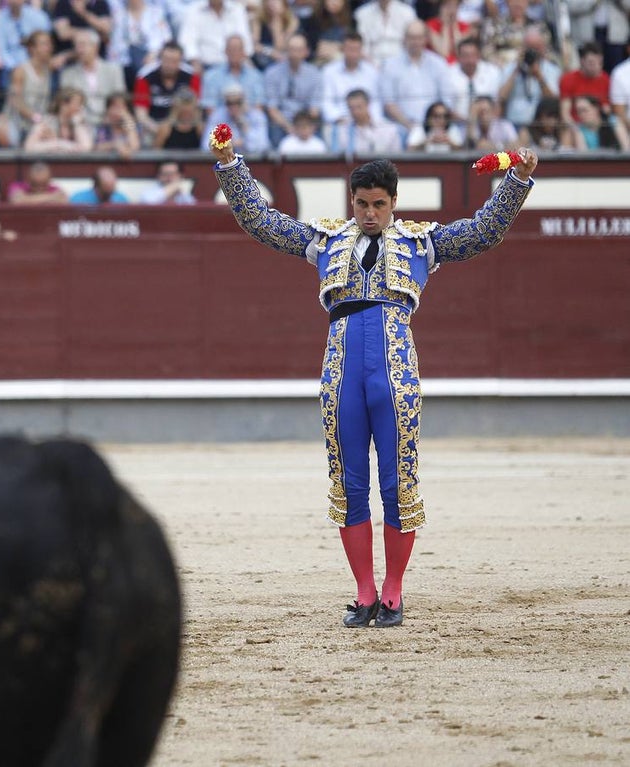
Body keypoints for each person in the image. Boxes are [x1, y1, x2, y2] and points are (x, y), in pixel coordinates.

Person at [209, 127, 539, 629]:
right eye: (361, 203)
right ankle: (363, 592)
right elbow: (262, 220)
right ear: (352, 201)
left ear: (393, 203)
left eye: (378, 204)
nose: (368, 213)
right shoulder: (325, 240)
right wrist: (231, 164)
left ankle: (393, 592)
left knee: (397, 482)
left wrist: (517, 180)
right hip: (341, 375)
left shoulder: (419, 242)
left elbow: (482, 231)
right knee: (349, 482)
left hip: (396, 374)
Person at [133, 41, 204, 143]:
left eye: (174, 61)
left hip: (184, 125)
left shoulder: (191, 76)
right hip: (153, 126)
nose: (169, 65)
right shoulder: (145, 77)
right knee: (145, 139)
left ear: (181, 60)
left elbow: (196, 109)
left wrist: (180, 130)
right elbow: (141, 114)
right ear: (160, 58)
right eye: (166, 60)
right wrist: (160, 130)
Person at [58, 29, 127, 128]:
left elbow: (120, 98)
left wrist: (109, 117)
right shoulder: (68, 74)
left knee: (128, 122)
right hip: (80, 122)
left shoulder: (113, 70)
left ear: (95, 47)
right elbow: (66, 104)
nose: (79, 50)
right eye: (76, 46)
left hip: (110, 120)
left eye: (82, 45)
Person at [262, 33, 322, 147]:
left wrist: (303, 127)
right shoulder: (272, 73)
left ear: (306, 52)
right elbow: (272, 109)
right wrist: (289, 128)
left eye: (299, 50)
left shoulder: (314, 74)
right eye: (292, 50)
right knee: (273, 130)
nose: (294, 54)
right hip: (281, 122)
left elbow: (314, 109)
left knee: (319, 134)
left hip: (306, 121)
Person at [6, 31, 57, 142]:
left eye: (50, 44)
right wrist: (35, 117)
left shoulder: (48, 69)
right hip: (19, 122)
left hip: (39, 121)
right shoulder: (21, 71)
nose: (49, 47)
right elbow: (16, 101)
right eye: (44, 44)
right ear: (32, 49)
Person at [178, 0, 253, 72]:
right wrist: (195, 62)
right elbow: (187, 42)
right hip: (205, 67)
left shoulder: (237, 9)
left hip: (234, 66)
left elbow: (246, 43)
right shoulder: (194, 10)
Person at [204, 83, 271, 155]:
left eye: (237, 102)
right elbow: (205, 146)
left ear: (244, 101)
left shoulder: (257, 116)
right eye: (229, 103)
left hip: (252, 161)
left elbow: (263, 146)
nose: (233, 107)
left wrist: (246, 130)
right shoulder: (217, 116)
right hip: (226, 161)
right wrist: (227, 144)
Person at [332, 88, 404, 154]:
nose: (355, 112)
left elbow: (396, 157)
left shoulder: (388, 128)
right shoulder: (342, 129)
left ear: (368, 104)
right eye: (351, 108)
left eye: (359, 107)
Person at [23, 86, 95, 151]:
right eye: (78, 104)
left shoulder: (80, 121)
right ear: (63, 104)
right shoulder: (46, 122)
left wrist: (77, 123)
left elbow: (86, 147)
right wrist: (60, 144)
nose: (80, 108)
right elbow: (29, 147)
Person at [558, 42, 612, 124]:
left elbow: (606, 109)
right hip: (575, 124)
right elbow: (565, 114)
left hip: (597, 125)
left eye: (600, 63)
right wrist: (576, 130)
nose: (596, 66)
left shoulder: (605, 79)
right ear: (582, 61)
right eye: (591, 63)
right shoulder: (568, 79)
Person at [93, 91, 142, 157]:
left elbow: (134, 146)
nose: (115, 111)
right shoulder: (104, 127)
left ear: (128, 110)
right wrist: (115, 145)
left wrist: (128, 121)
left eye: (119, 107)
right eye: (113, 107)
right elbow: (97, 147)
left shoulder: (136, 126)